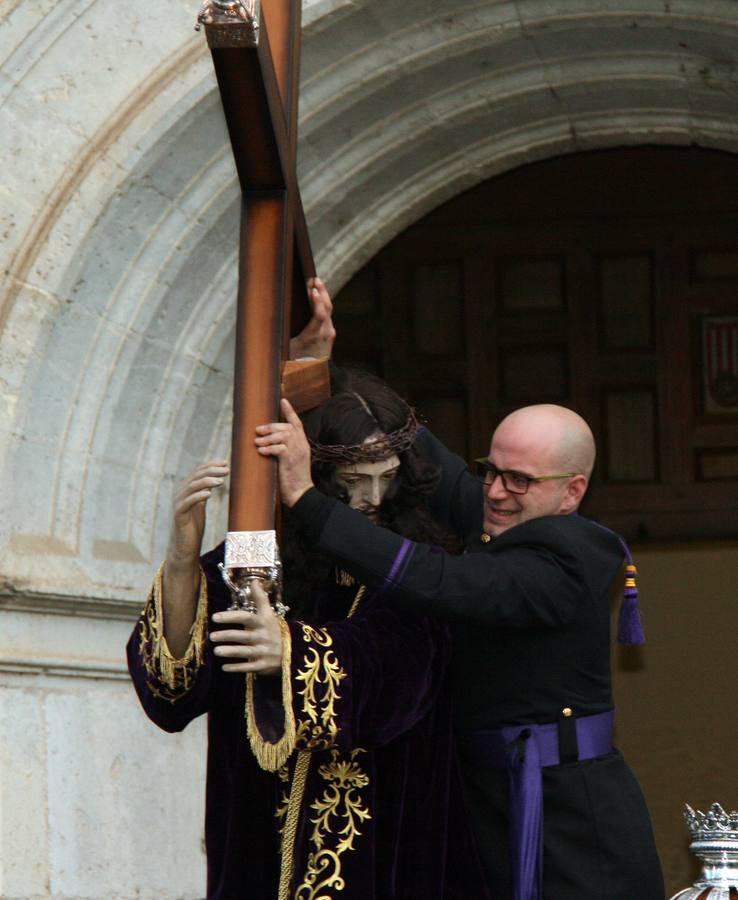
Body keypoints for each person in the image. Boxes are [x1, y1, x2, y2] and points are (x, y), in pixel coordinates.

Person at [256, 397, 666, 900]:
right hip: (486, 805)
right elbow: (443, 472)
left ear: (572, 491)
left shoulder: (566, 562)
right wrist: (335, 378)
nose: (495, 492)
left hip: (570, 821)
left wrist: (303, 497)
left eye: (517, 479)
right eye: (490, 471)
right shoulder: (513, 509)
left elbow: (437, 579)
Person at [127, 329, 488, 896]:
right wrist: (180, 561)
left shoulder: (420, 561)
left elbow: (404, 669)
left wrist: (290, 652)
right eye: (352, 483)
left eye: (386, 479)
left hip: (384, 837)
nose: (370, 500)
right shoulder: (255, 555)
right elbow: (173, 692)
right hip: (254, 836)